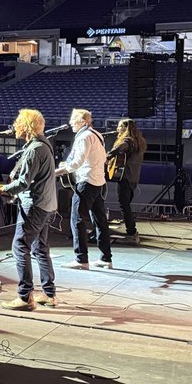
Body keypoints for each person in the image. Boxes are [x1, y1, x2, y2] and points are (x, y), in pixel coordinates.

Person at [0, 108, 58, 310]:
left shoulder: (34, 149)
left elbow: (23, 183)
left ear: (27, 127)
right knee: (40, 248)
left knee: (20, 246)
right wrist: (0, 189)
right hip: (47, 205)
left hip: (35, 206)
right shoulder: (44, 145)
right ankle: (49, 294)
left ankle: (24, 297)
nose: (15, 126)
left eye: (19, 122)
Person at [58, 108, 113, 269]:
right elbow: (101, 158)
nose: (70, 123)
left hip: (86, 183)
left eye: (73, 120)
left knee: (77, 220)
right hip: (98, 182)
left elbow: (76, 164)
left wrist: (55, 172)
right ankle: (105, 258)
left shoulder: (84, 137)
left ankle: (81, 259)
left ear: (82, 121)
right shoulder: (97, 135)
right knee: (100, 221)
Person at [107, 118, 146, 243]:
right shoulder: (138, 141)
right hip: (133, 178)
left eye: (119, 127)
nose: (117, 129)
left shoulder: (127, 140)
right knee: (126, 205)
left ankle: (132, 233)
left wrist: (108, 155)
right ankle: (132, 232)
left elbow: (122, 147)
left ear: (125, 128)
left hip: (125, 177)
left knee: (124, 206)